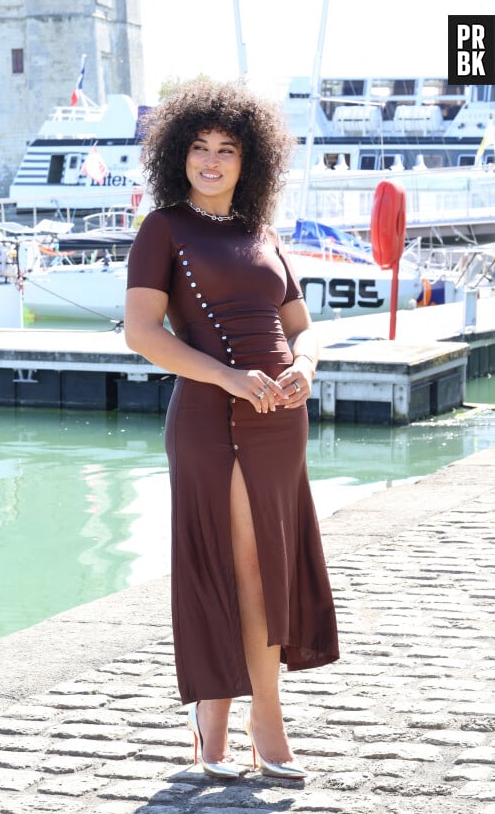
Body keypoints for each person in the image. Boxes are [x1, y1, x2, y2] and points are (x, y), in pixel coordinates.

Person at [125, 79, 339, 780]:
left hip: (281, 422)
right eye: (199, 147)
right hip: (212, 418)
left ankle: (253, 718)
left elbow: (301, 330)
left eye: (228, 150)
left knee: (267, 568)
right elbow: (141, 334)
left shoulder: (265, 236)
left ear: (252, 162)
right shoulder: (164, 229)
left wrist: (305, 368)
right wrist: (225, 377)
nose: (212, 161)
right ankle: (233, 719)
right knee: (229, 565)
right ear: (178, 156)